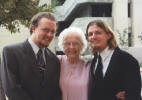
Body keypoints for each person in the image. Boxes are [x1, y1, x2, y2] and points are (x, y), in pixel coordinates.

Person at [0, 12, 61, 100]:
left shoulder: (54, 60)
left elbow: (55, 92)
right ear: (33, 28)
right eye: (46, 30)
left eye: (53, 31)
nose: (50, 35)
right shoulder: (11, 52)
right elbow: (12, 89)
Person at [86, 19, 141, 100]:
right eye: (90, 34)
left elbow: (134, 95)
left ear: (109, 35)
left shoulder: (127, 60)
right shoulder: (94, 61)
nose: (93, 37)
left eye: (98, 33)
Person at [57, 27, 90, 100]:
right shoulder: (58, 61)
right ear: (62, 46)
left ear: (82, 46)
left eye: (75, 44)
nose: (71, 47)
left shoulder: (89, 65)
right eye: (68, 44)